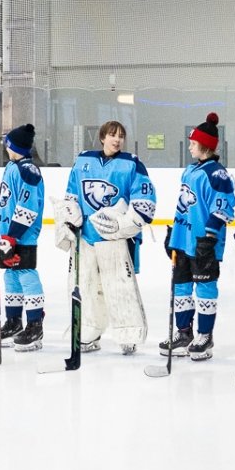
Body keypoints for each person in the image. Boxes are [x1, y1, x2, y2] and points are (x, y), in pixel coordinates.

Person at [59, 120, 157, 355]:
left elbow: (145, 203)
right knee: (88, 287)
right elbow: (71, 195)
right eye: (113, 135)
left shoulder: (132, 164)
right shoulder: (83, 161)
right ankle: (90, 331)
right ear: (102, 137)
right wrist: (70, 216)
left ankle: (128, 333)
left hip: (117, 241)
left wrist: (123, 224)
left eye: (121, 136)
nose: (117, 139)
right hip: (86, 238)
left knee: (119, 287)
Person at [160, 114, 235, 361]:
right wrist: (174, 235)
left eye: (193, 143)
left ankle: (205, 335)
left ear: (205, 146)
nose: (190, 147)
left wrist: (209, 237)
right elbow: (183, 206)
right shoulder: (190, 170)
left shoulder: (218, 174)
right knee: (181, 286)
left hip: (203, 242)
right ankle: (184, 333)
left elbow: (224, 207)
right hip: (183, 240)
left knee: (205, 287)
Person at [0, 123, 47, 351]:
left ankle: (35, 325)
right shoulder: (12, 167)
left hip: (23, 236)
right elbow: (4, 203)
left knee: (26, 274)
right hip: (7, 234)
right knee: (11, 276)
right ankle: (14, 322)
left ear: (14, 147)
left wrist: (12, 236)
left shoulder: (28, 171)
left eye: (8, 145)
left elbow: (28, 208)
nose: (6, 148)